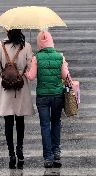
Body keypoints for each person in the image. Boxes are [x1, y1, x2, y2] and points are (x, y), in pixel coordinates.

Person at [26, 30, 71, 168]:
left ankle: (48, 157)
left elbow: (31, 77)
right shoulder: (59, 56)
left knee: (45, 125)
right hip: (57, 95)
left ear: (39, 43)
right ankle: (56, 151)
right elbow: (66, 76)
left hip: (43, 97)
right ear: (52, 41)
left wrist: (27, 70)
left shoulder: (36, 58)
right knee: (56, 123)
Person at [0, 29, 34, 169]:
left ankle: (11, 154)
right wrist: (21, 74)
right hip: (21, 89)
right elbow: (31, 70)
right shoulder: (26, 46)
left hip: (5, 89)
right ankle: (20, 150)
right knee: (20, 120)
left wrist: (4, 77)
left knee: (8, 122)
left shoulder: (0, 46)